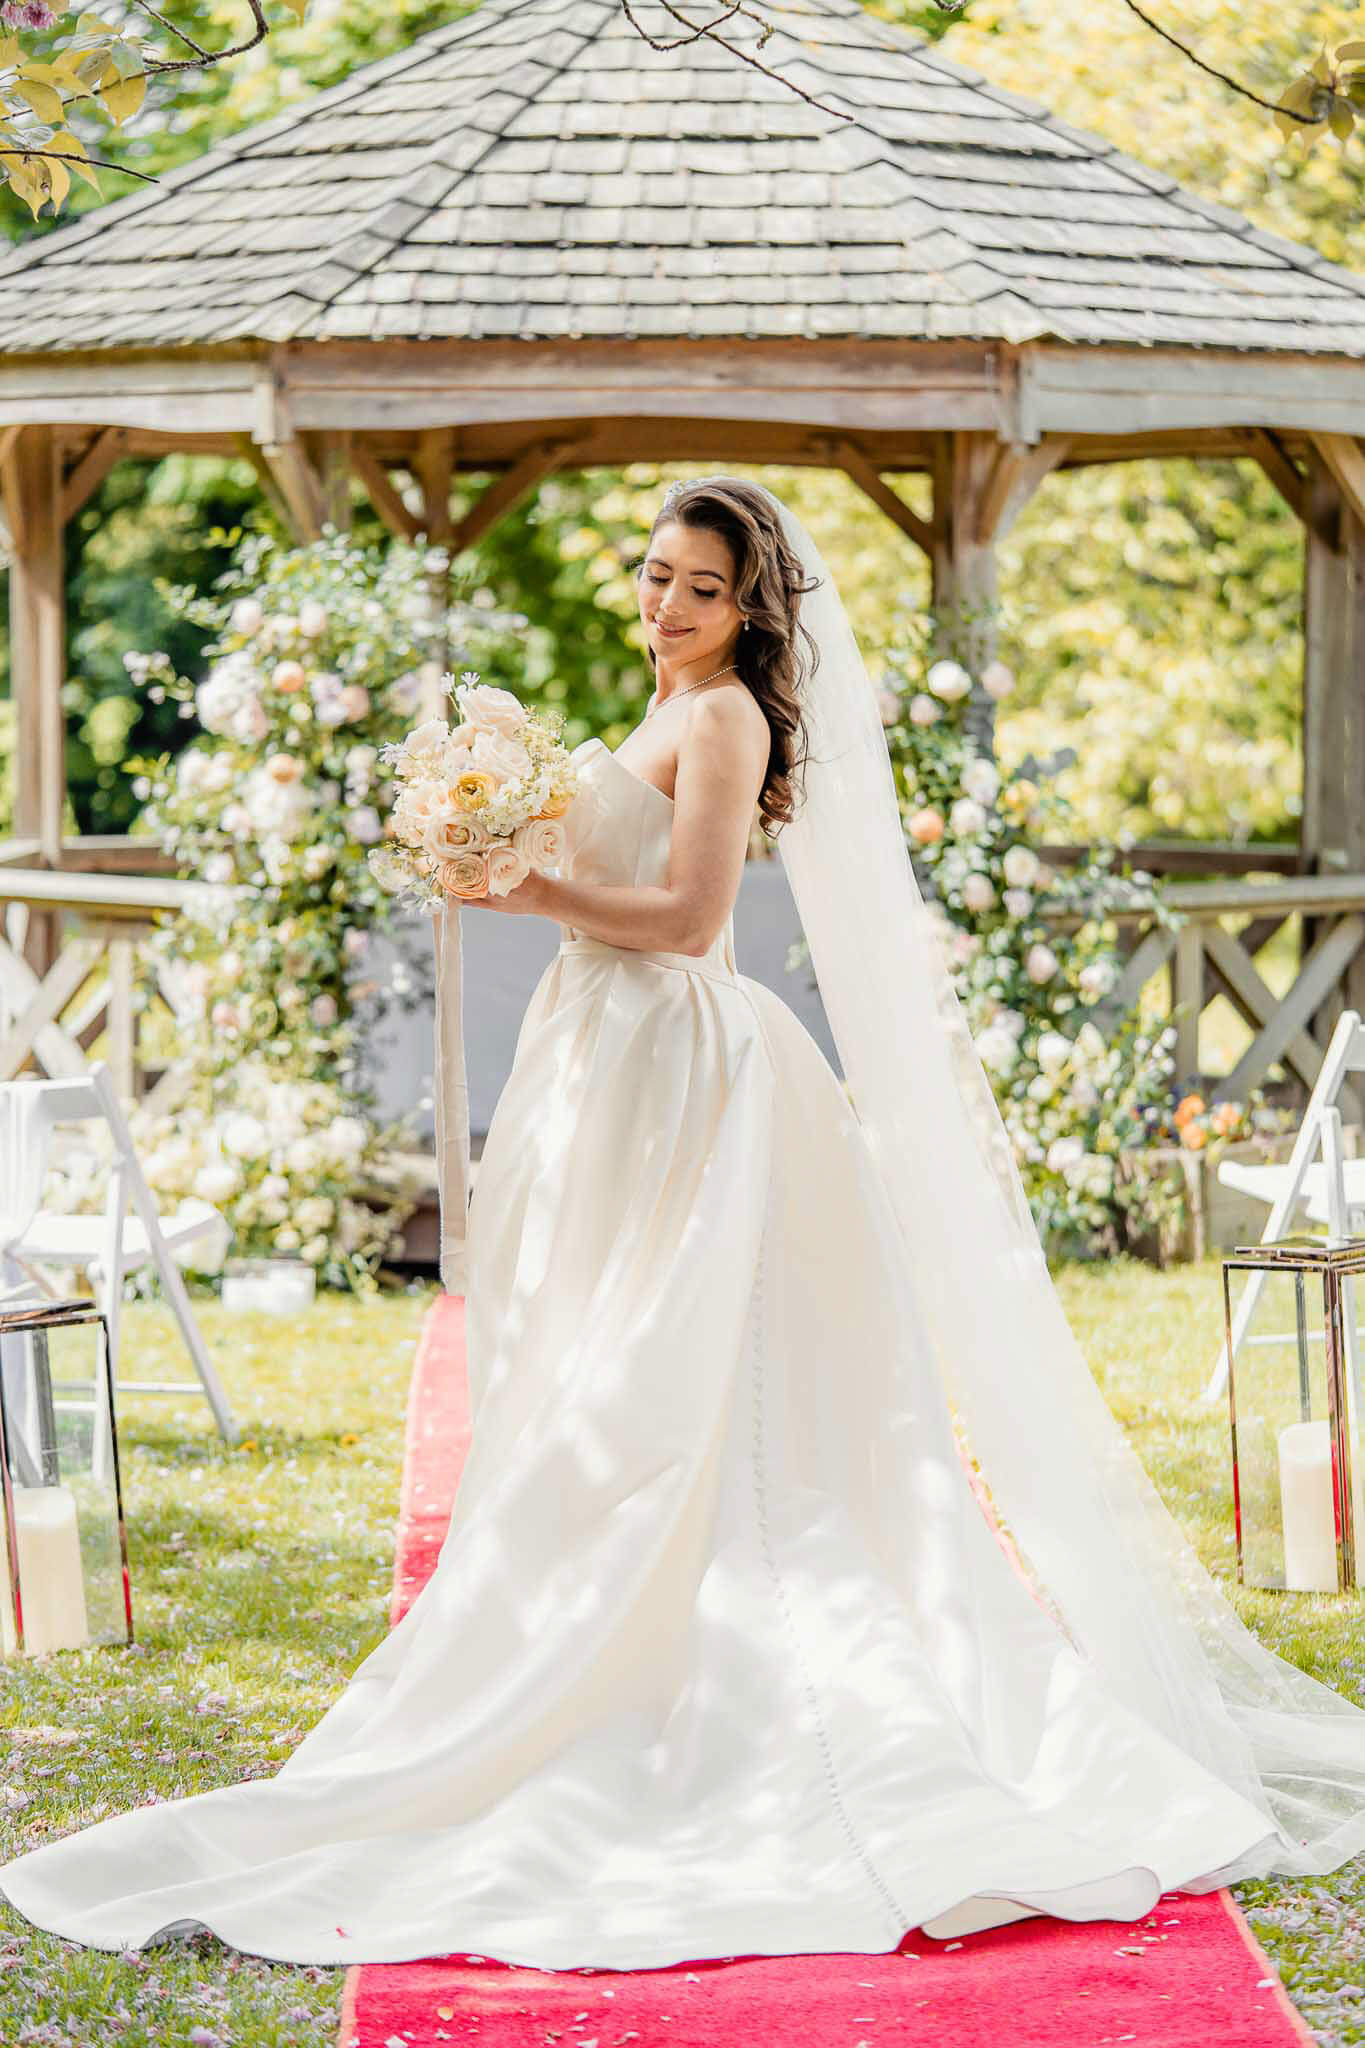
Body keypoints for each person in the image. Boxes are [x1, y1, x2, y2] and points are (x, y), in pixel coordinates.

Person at [3, 476, 1365, 1971]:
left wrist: (523, 888)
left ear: (748, 610)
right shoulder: (660, 699)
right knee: (601, 1378)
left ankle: (724, 1680)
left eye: (699, 590)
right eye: (653, 576)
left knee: (691, 1391)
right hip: (609, 1060)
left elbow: (689, 916)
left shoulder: (725, 720)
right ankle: (611, 1647)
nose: (664, 605)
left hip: (690, 1074)